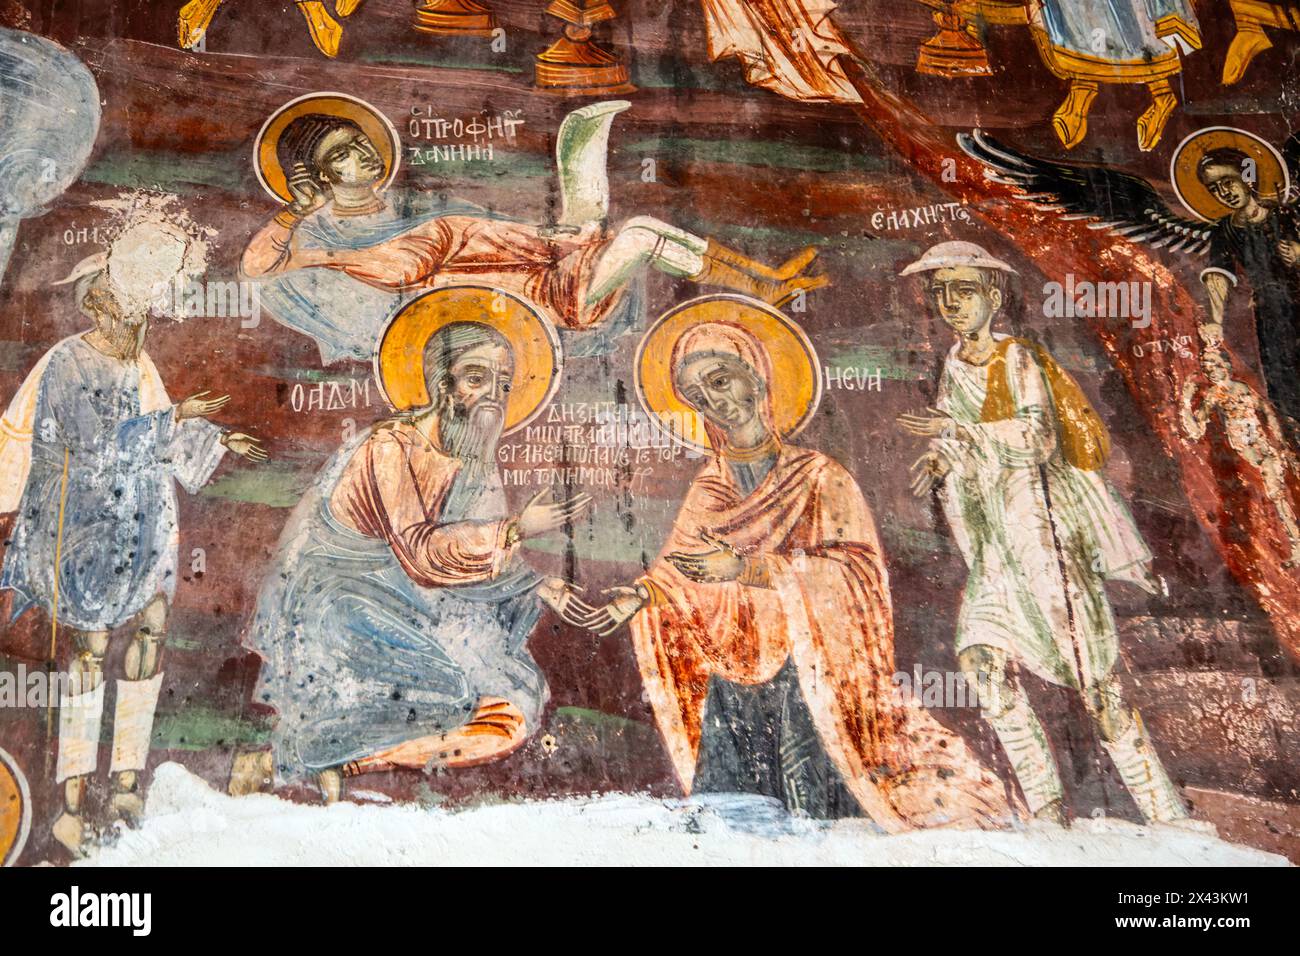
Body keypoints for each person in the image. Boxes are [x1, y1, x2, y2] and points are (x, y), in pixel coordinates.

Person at [583, 301, 1016, 830]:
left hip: (811, 666)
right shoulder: (710, 485)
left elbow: (855, 574)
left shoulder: (818, 476)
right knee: (734, 821)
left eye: (721, 381)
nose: (715, 404)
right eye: (698, 398)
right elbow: (680, 568)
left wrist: (748, 571)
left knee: (819, 812)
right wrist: (643, 596)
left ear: (757, 376)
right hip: (734, 670)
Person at [238, 291, 595, 803]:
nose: (492, 394)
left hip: (414, 609)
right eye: (476, 378)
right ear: (441, 383)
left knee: (512, 707)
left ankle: (351, 766)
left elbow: (481, 560)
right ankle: (286, 756)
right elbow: (423, 555)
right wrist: (517, 529)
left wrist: (539, 585)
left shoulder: (474, 456)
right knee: (450, 693)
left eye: (502, 383)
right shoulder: (391, 447)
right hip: (340, 601)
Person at [896, 240, 1187, 826]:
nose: (951, 302)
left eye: (965, 290)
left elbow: (1037, 440)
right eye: (942, 292)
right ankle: (1047, 809)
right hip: (996, 542)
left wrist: (957, 432)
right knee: (981, 661)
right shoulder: (954, 363)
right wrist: (944, 457)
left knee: (1093, 683)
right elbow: (969, 441)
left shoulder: (1016, 359)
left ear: (993, 297)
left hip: (1042, 533)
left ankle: (1168, 816)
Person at [0, 254, 266, 856]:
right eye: (124, 303)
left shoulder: (139, 363)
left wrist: (216, 437)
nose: (136, 317)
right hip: (83, 521)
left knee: (151, 630)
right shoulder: (69, 361)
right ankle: (71, 795)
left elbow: (158, 434)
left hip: (144, 518)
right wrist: (182, 413)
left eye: (141, 304)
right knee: (89, 648)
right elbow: (93, 444)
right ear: (97, 304)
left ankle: (125, 782)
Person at [241, 98, 825, 364]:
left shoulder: (417, 207)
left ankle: (765, 279)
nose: (364, 154)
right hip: (531, 307)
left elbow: (489, 238)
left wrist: (554, 238)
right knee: (639, 234)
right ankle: (763, 282)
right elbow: (257, 268)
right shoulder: (322, 239)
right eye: (344, 153)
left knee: (616, 219)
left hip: (546, 271)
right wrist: (296, 214)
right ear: (319, 174)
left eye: (361, 140)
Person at [1197, 147, 1300, 440]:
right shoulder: (1224, 231)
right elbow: (1218, 274)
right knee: (1284, 384)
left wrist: (1297, 252)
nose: (1223, 192)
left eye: (1228, 181)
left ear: (1247, 178)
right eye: (1214, 188)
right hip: (1271, 314)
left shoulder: (1284, 213)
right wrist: (1215, 319)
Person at [1181, 347, 1300, 565]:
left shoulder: (1242, 389)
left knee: (1281, 492)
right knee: (1278, 494)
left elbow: (1267, 411)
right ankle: (1297, 544)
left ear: (1226, 365)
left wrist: (1280, 441)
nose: (1212, 371)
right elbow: (1195, 430)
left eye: (1215, 365)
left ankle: (1297, 544)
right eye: (1208, 368)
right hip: (1249, 451)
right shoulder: (1213, 396)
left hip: (1264, 445)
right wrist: (1186, 401)